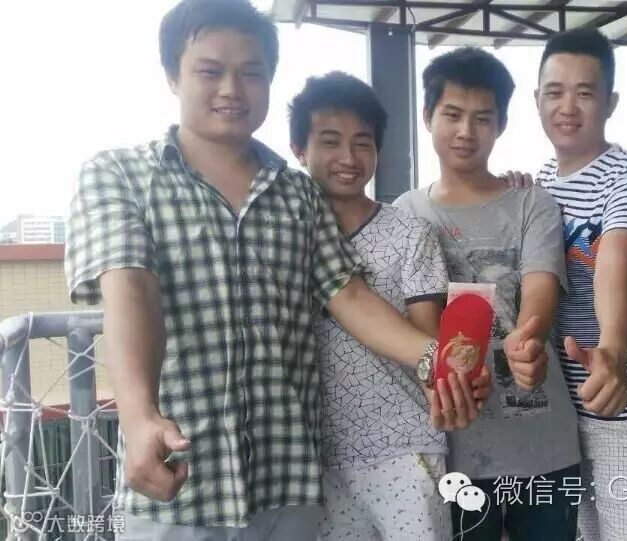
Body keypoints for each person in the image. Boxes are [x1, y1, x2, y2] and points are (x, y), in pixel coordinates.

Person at [64, 2, 485, 538]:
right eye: (210, 71)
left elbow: (349, 296)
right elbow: (130, 289)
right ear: (172, 75)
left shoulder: (299, 194)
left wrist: (437, 362)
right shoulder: (118, 175)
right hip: (181, 480)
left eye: (251, 72)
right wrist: (138, 414)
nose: (231, 89)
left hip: (288, 482)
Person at [395, 47, 581, 541]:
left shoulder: (532, 203)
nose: (466, 131)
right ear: (427, 116)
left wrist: (529, 338)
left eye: (482, 118)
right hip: (452, 449)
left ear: (501, 124)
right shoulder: (405, 214)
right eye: (452, 115)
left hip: (543, 447)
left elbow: (541, 286)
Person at [289, 72, 480, 539]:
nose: (348, 158)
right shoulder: (284, 237)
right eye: (330, 142)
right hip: (313, 457)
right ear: (299, 150)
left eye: (363, 143)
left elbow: (428, 346)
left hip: (404, 450)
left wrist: (455, 382)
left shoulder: (409, 234)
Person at [534, 28, 627, 541]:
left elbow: (613, 262)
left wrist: (613, 351)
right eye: (554, 92)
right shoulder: (540, 182)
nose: (567, 107)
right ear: (536, 99)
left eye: (585, 92)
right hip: (561, 406)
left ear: (610, 102)